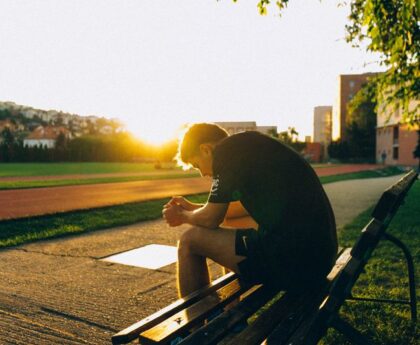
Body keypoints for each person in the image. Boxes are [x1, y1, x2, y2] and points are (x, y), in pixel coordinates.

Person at [162, 123, 337, 298]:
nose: (203, 173)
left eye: (197, 164)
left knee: (189, 241)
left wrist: (182, 216)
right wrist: (193, 209)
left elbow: (211, 219)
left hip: (297, 263)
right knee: (231, 226)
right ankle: (232, 317)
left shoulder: (225, 152)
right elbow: (232, 212)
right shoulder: (248, 148)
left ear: (206, 149)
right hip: (319, 257)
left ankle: (200, 323)